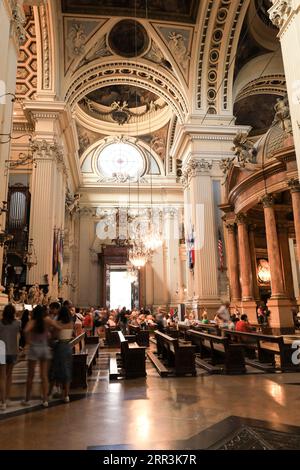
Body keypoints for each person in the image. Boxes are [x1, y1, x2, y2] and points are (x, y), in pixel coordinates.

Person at [22, 305, 61, 407]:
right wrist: (52, 336)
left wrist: (28, 341)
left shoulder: (33, 321)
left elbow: (26, 330)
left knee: (30, 375)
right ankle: (45, 400)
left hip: (34, 348)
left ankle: (27, 399)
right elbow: (58, 327)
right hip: (44, 347)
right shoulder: (47, 320)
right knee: (44, 376)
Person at [0, 304, 21, 410]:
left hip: (1, 350)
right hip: (13, 350)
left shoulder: (0, 323)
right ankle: (7, 397)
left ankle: (2, 401)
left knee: (2, 377)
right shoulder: (17, 323)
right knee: (9, 376)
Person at [51, 307, 73, 403]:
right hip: (68, 347)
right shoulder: (71, 324)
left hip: (60, 347)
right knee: (67, 369)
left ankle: (58, 389)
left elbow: (54, 336)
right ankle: (66, 395)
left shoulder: (58, 323)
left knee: (58, 368)